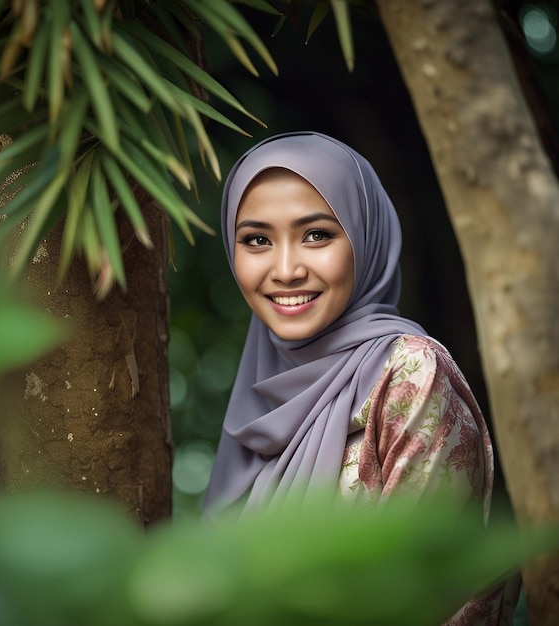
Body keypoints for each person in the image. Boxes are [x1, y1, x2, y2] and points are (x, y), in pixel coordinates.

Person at [202, 131, 518, 624]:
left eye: (317, 235)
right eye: (257, 240)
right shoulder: (259, 397)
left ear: (365, 237)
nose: (285, 269)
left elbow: (422, 597)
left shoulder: (410, 375)